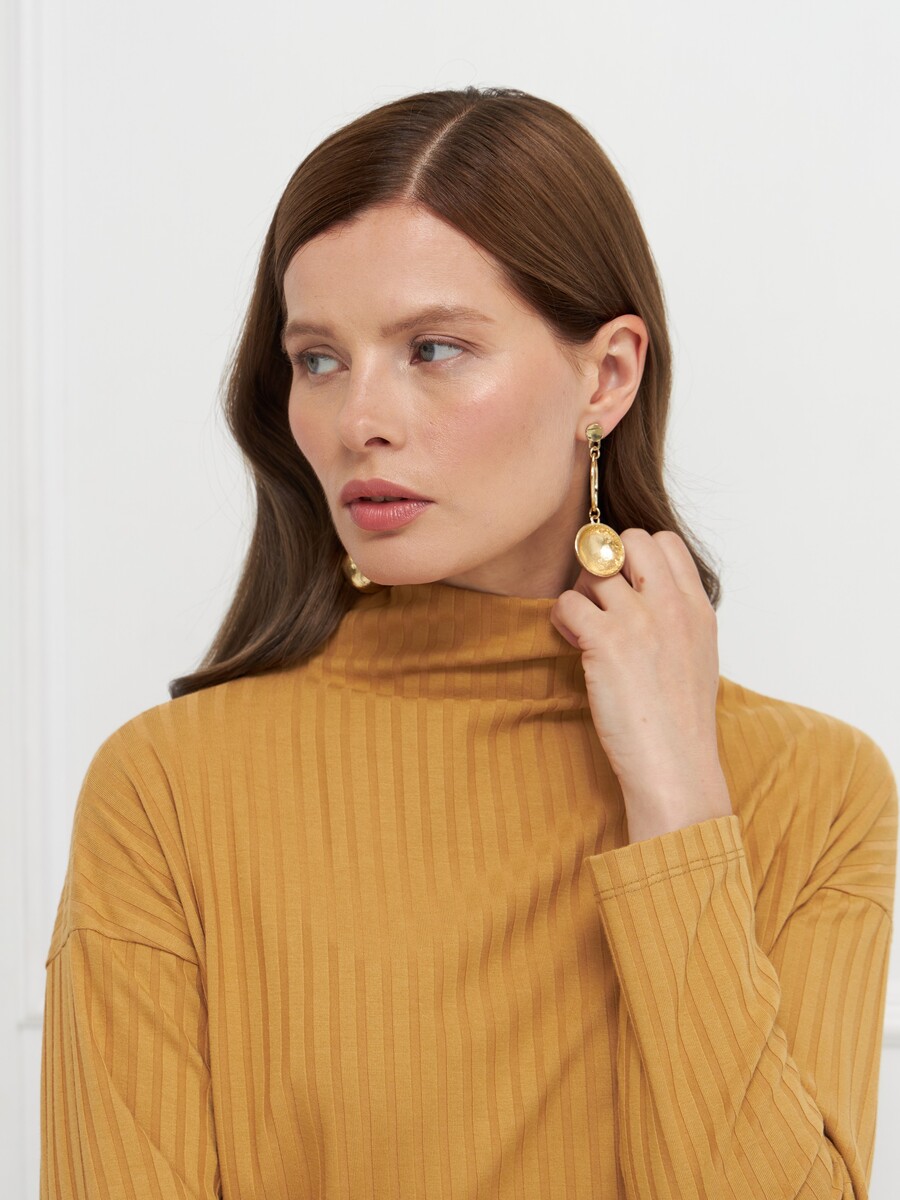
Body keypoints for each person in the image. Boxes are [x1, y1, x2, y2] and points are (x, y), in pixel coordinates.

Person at [40, 86, 897, 1199]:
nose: (360, 421)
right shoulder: (168, 793)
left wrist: (681, 804)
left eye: (433, 348)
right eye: (318, 359)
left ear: (607, 375)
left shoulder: (815, 794)